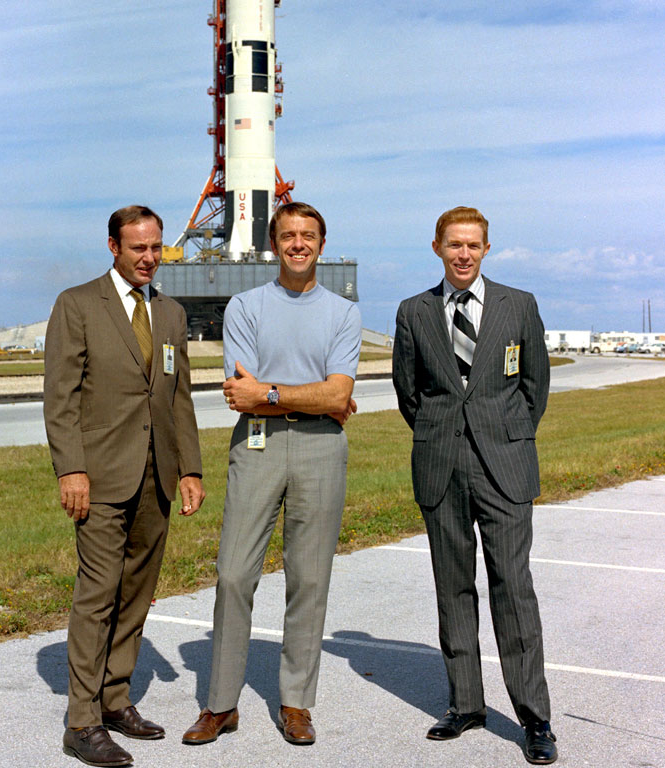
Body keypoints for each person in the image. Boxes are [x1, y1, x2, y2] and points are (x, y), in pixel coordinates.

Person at [182, 202, 361, 747]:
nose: (298, 244)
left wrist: (277, 393)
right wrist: (314, 399)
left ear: (321, 245)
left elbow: (339, 393)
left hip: (321, 452)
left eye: (308, 236)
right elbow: (242, 395)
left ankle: (296, 703)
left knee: (309, 578)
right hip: (256, 448)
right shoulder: (245, 306)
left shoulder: (343, 312)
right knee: (234, 574)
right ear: (274, 243)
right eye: (288, 235)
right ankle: (221, 704)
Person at [392, 206, 557, 766]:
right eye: (453, 245)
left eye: (473, 245)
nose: (463, 254)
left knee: (513, 586)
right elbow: (408, 393)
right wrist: (447, 434)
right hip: (441, 464)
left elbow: (535, 387)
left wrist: (504, 436)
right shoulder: (413, 312)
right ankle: (465, 703)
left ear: (486, 249)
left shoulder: (519, 305)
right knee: (453, 586)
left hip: (504, 465)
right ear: (436, 246)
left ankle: (535, 717)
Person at [44, 205, 205, 768]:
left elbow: (178, 397)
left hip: (156, 476)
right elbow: (60, 396)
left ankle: (115, 699)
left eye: (156, 247)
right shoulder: (78, 304)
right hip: (101, 476)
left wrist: (190, 468)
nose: (149, 258)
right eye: (137, 248)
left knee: (136, 593)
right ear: (113, 246)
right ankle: (82, 721)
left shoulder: (172, 312)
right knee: (97, 594)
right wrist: (71, 469)